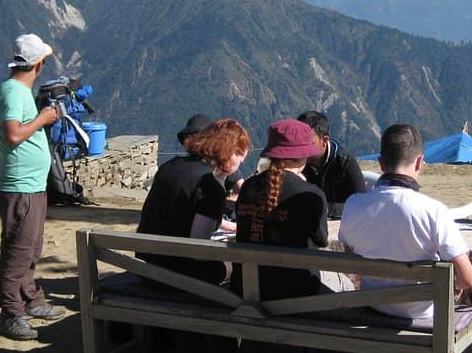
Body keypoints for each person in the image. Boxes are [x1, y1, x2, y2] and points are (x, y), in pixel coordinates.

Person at [339, 123, 472, 353]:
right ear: (419, 162)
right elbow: (468, 277)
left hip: (373, 304)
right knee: (469, 305)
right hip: (423, 313)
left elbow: (350, 255)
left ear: (380, 164)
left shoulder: (354, 204)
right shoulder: (433, 210)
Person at [0, 33, 65, 341]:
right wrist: (45, 117)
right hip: (20, 187)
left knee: (31, 248)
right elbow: (12, 134)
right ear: (39, 64)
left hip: (31, 186)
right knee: (18, 252)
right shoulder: (12, 93)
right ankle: (10, 314)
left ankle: (31, 299)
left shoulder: (17, 92)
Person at [137, 118, 251, 284]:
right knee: (243, 265)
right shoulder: (211, 186)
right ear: (228, 151)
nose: (241, 162)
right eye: (240, 155)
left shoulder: (169, 166)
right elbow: (199, 251)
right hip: (177, 275)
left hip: (144, 264)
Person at [233, 119, 330, 298]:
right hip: (294, 293)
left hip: (244, 288)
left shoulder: (248, 186)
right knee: (343, 284)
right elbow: (322, 240)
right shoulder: (310, 194)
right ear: (303, 155)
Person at [296, 110, 366, 218]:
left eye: (308, 143)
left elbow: (362, 203)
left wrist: (327, 208)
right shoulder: (296, 162)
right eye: (299, 142)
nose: (302, 148)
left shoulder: (344, 161)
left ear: (324, 140)